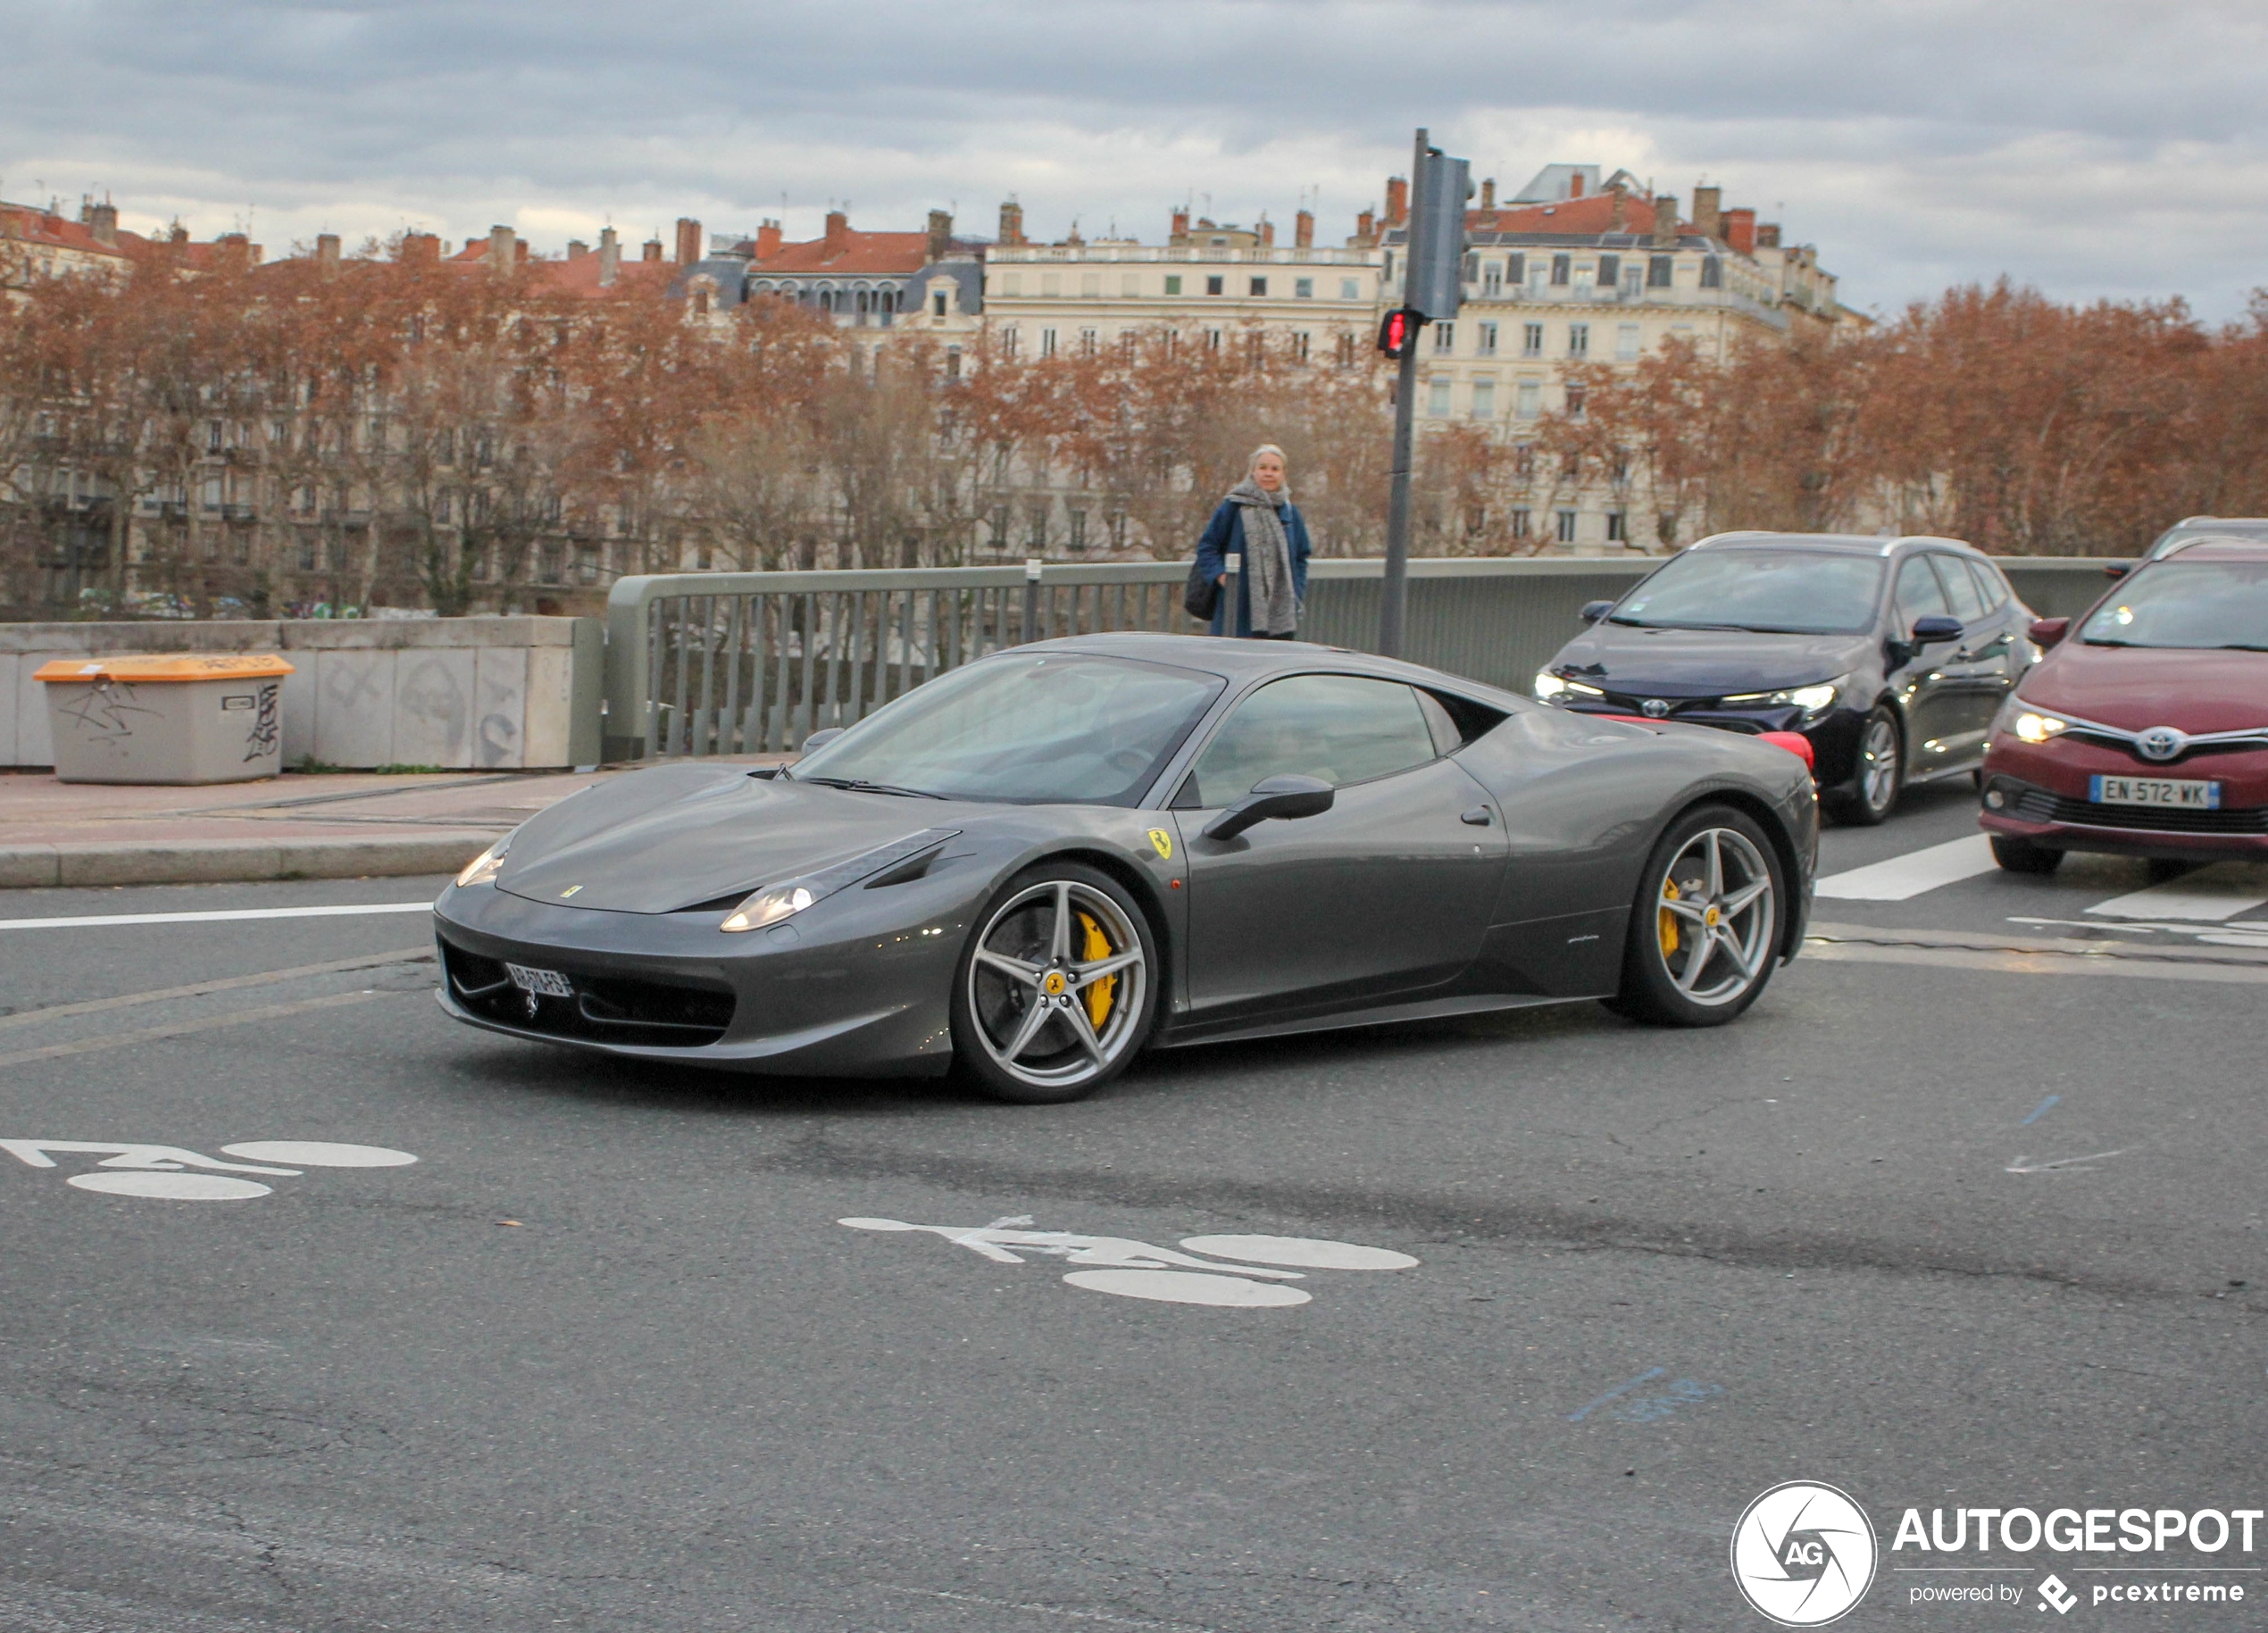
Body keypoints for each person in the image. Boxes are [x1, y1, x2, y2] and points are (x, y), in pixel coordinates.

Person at [1195, 445, 1312, 638]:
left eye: (1275, 469)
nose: (1268, 474)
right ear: (1253, 471)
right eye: (1263, 467)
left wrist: (1295, 590)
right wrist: (1221, 576)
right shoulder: (1233, 507)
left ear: (1283, 474)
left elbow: (1301, 556)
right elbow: (1207, 547)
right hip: (1236, 606)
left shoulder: (1290, 513)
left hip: (1279, 614)